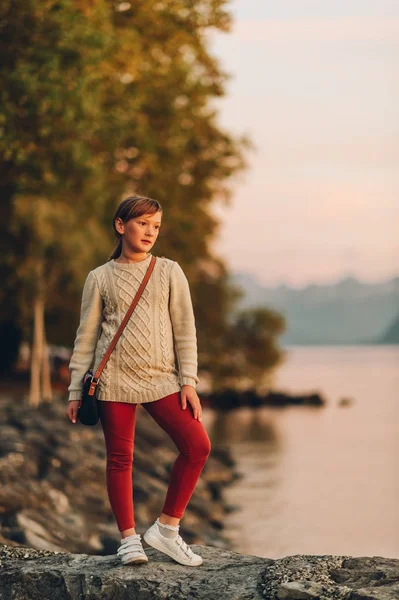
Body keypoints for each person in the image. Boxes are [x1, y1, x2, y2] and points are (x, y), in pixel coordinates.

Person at [65, 195, 211, 567]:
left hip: (162, 379)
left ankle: (166, 529)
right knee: (120, 459)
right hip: (112, 380)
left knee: (197, 446)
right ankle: (129, 540)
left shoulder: (168, 271)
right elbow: (86, 337)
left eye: (156, 226)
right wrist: (75, 390)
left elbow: (185, 330)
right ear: (121, 225)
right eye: (143, 223)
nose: (150, 232)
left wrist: (188, 381)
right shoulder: (99, 277)